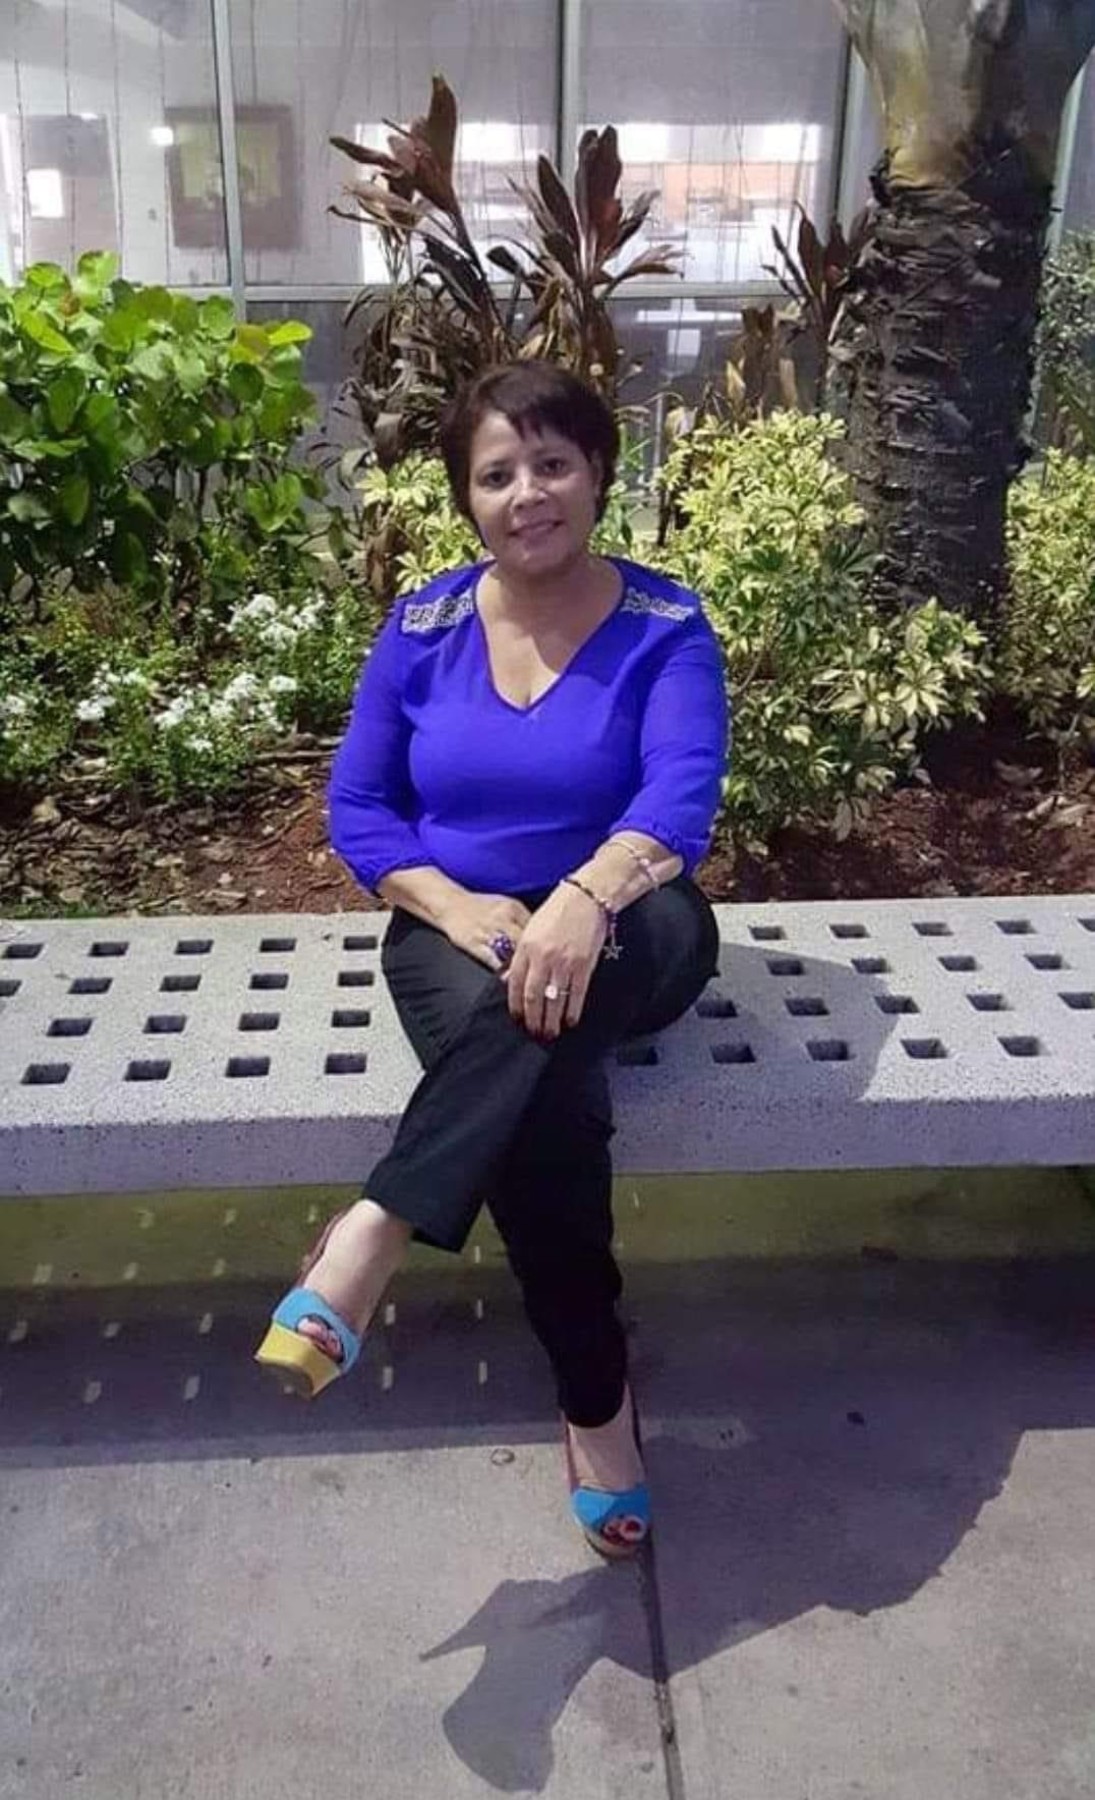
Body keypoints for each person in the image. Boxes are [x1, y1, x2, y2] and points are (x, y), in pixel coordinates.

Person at [255, 360, 730, 1559]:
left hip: (636, 917)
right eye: (498, 473)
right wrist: (455, 905)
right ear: (468, 497)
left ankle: (378, 1223)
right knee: (547, 1108)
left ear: (599, 473)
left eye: (553, 464)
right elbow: (361, 809)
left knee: (568, 994)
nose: (529, 494)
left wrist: (583, 897)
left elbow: (680, 797)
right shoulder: (421, 628)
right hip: (455, 932)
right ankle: (597, 1403)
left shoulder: (666, 626)